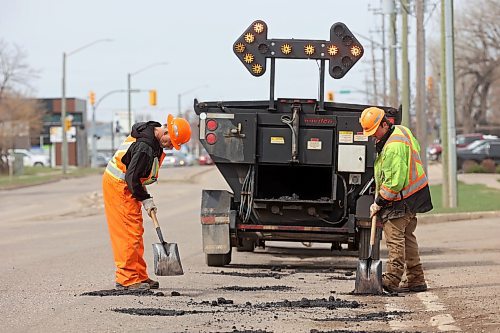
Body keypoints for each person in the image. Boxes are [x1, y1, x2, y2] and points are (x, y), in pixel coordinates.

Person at [102, 114, 191, 290]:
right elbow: (132, 177)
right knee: (129, 234)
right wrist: (145, 198)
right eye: (171, 142)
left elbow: (135, 175)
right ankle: (126, 279)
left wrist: (143, 195)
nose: (171, 147)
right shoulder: (145, 147)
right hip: (120, 188)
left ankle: (139, 275)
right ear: (165, 131)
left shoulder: (151, 133)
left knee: (136, 232)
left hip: (127, 187)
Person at [359, 107, 432, 293]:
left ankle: (391, 279)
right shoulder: (402, 131)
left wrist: (379, 202)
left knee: (395, 239)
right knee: (408, 238)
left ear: (384, 124)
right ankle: (416, 279)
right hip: (414, 194)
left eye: (374, 131)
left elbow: (394, 184)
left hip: (401, 198)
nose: (373, 136)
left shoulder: (392, 147)